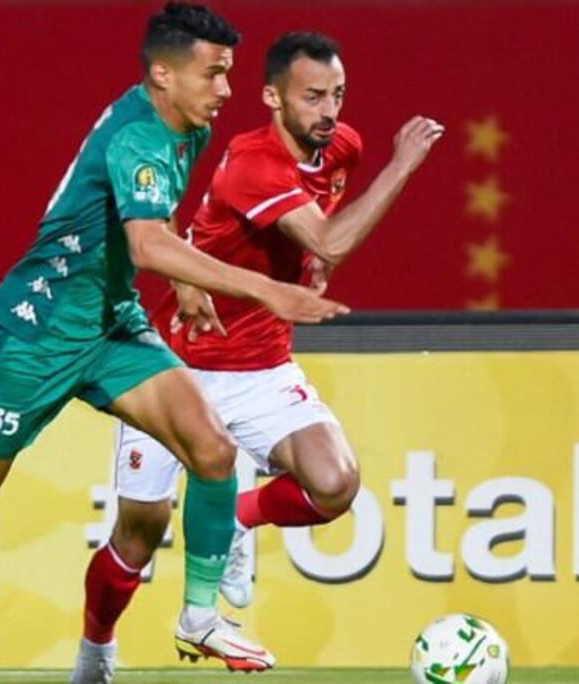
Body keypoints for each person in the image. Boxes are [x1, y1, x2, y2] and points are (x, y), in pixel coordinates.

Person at [0, 6, 351, 684]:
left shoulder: (187, 127)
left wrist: (187, 281)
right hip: (37, 333)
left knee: (212, 448)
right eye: (212, 74)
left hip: (112, 325)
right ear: (163, 75)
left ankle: (200, 616)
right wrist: (267, 290)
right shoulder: (138, 137)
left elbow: (157, 217)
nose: (225, 90)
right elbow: (147, 244)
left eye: (228, 73)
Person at [70, 30, 443, 682]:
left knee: (336, 483)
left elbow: (314, 239)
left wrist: (313, 266)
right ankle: (95, 651)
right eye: (312, 97)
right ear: (273, 98)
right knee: (138, 533)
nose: (328, 111)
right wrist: (402, 166)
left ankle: (236, 521)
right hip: (178, 368)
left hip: (263, 367)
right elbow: (329, 239)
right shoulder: (253, 163)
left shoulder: (341, 147)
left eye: (338, 95)